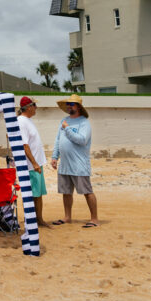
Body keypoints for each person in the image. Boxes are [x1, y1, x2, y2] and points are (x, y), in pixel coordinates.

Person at [49, 93, 98, 228]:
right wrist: (54, 156)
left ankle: (94, 219)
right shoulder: (64, 120)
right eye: (68, 104)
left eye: (71, 104)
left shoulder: (84, 123)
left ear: (79, 107)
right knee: (66, 192)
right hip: (64, 164)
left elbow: (82, 140)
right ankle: (67, 217)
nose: (68, 107)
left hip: (79, 165)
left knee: (87, 191)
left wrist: (68, 128)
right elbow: (58, 140)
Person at [16, 96, 48, 226]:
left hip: (37, 164)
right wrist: (34, 163)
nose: (36, 108)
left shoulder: (27, 120)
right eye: (34, 105)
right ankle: (32, 220)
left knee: (38, 194)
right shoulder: (21, 121)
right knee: (32, 195)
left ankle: (39, 219)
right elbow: (25, 145)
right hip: (30, 166)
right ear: (29, 107)